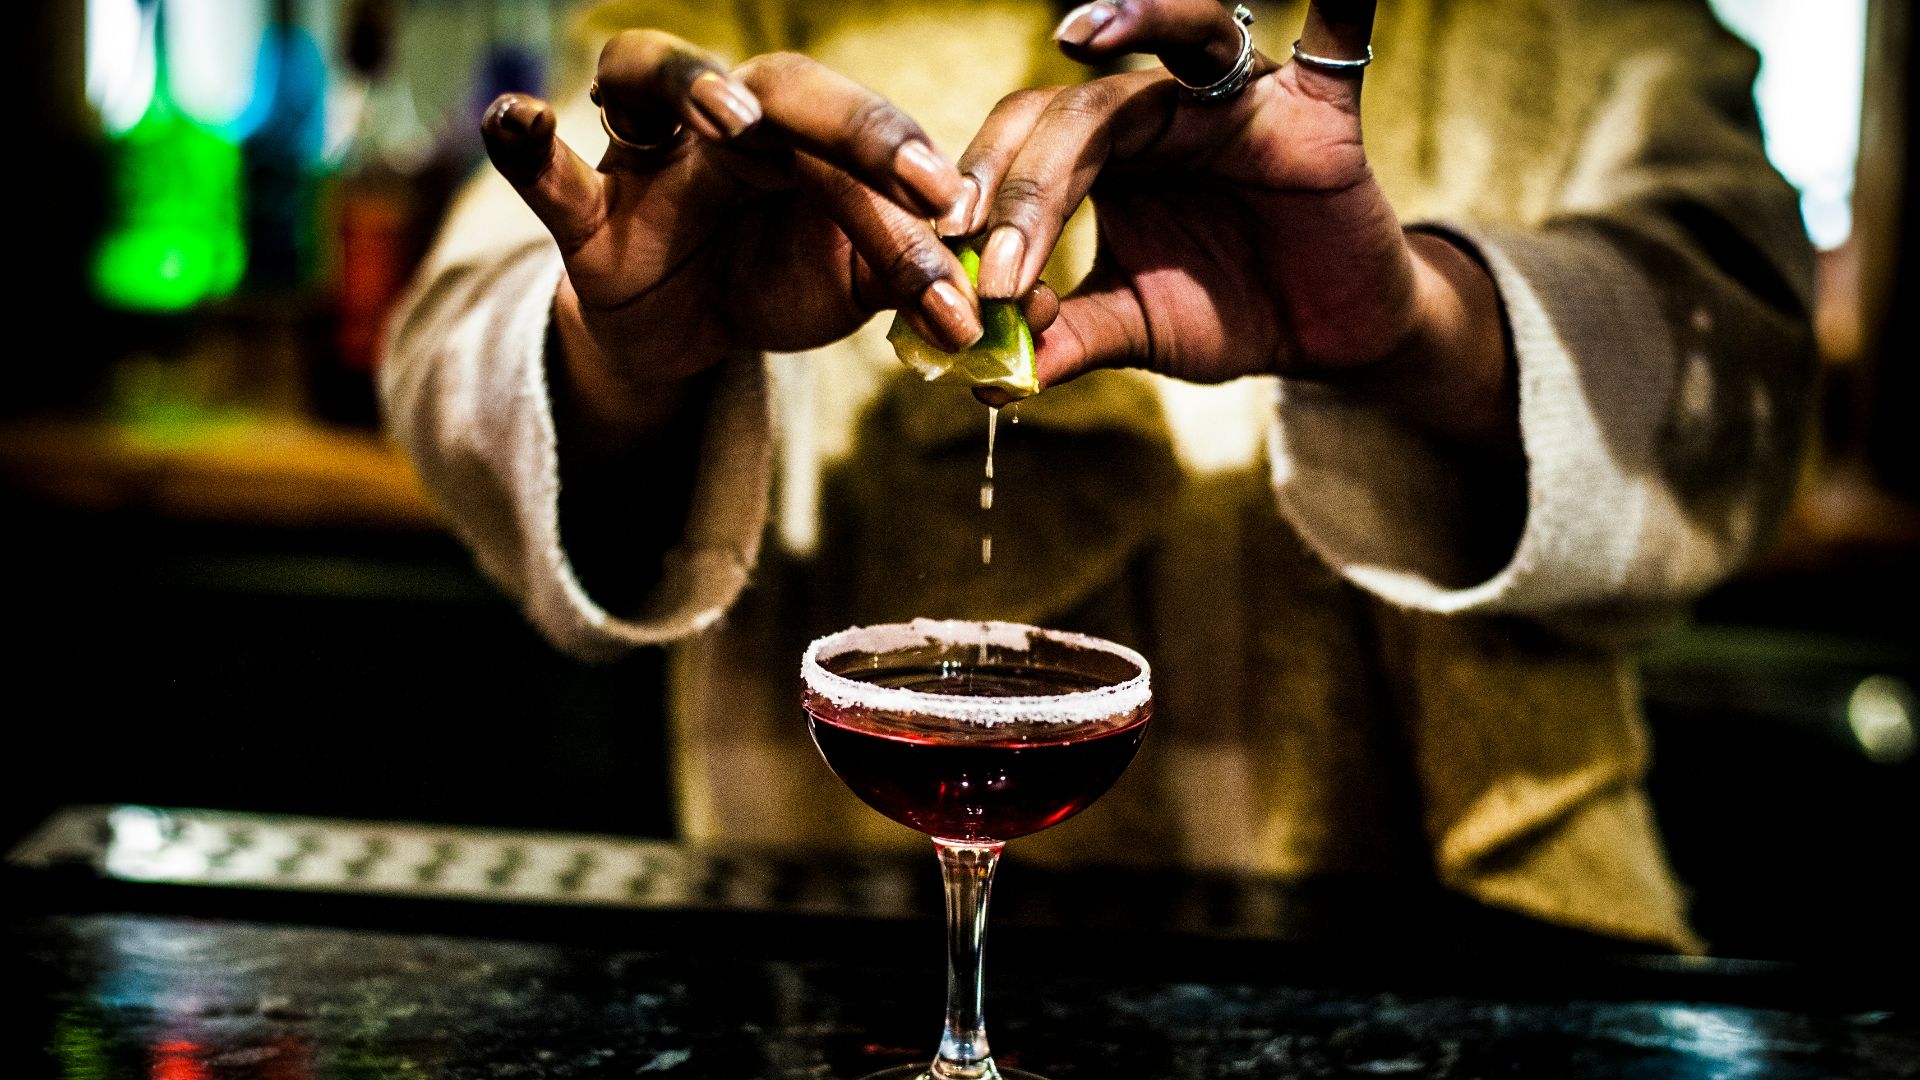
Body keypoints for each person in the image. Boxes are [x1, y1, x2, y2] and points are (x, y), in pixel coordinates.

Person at [382, 0, 1815, 954]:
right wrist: (626, 357)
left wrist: (1415, 325)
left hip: (1458, 952)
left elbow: (1736, 380)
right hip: (838, 924)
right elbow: (464, 344)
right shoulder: (750, 10)